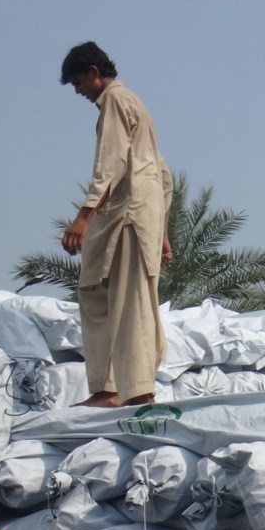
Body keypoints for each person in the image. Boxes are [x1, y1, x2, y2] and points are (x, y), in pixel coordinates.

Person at [58, 40, 174, 409]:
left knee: (130, 300)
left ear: (94, 72)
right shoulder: (136, 105)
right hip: (134, 215)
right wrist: (163, 231)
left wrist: (83, 216)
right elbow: (162, 173)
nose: (78, 92)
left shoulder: (114, 100)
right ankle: (107, 389)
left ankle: (138, 391)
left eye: (78, 82)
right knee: (96, 293)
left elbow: (112, 161)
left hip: (127, 215)